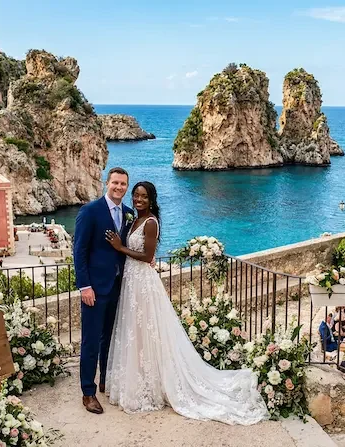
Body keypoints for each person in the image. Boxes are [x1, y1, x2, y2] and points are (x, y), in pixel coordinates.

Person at [102, 180, 269, 423]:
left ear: (152, 200)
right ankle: (139, 379)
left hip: (143, 282)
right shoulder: (134, 219)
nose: (138, 199)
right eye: (136, 195)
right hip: (132, 281)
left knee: (148, 331)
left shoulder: (150, 222)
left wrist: (119, 248)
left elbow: (147, 256)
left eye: (144, 196)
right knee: (135, 332)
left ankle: (153, 382)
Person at [74, 167, 136, 414]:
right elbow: (79, 251)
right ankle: (87, 392)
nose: (119, 187)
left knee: (109, 338)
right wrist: (85, 286)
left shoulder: (129, 213)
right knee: (91, 341)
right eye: (115, 183)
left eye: (123, 184)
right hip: (95, 289)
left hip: (118, 287)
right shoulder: (90, 211)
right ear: (106, 183)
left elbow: (127, 247)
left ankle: (105, 380)